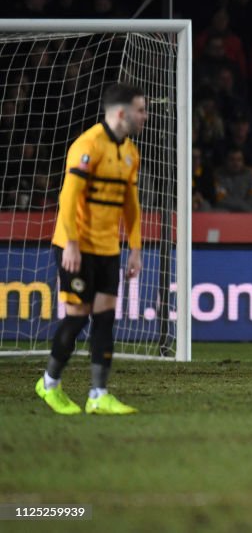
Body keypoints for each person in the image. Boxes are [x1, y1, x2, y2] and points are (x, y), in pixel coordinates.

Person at [36, 82, 148, 415]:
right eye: (140, 110)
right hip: (76, 245)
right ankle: (49, 383)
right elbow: (68, 198)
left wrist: (136, 248)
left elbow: (131, 204)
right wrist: (70, 243)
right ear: (120, 113)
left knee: (104, 317)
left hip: (107, 247)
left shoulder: (130, 152)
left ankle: (98, 394)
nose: (145, 115)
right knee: (77, 317)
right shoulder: (87, 146)